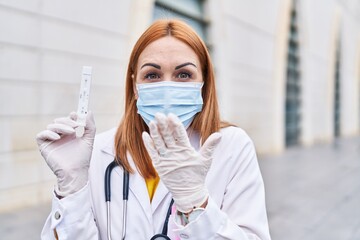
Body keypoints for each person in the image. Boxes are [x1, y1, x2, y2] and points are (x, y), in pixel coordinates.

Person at [36, 19, 271, 240]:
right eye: (152, 75)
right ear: (135, 86)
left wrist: (195, 203)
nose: (167, 86)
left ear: (204, 83)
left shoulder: (232, 146)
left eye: (183, 74)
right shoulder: (97, 152)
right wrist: (72, 187)